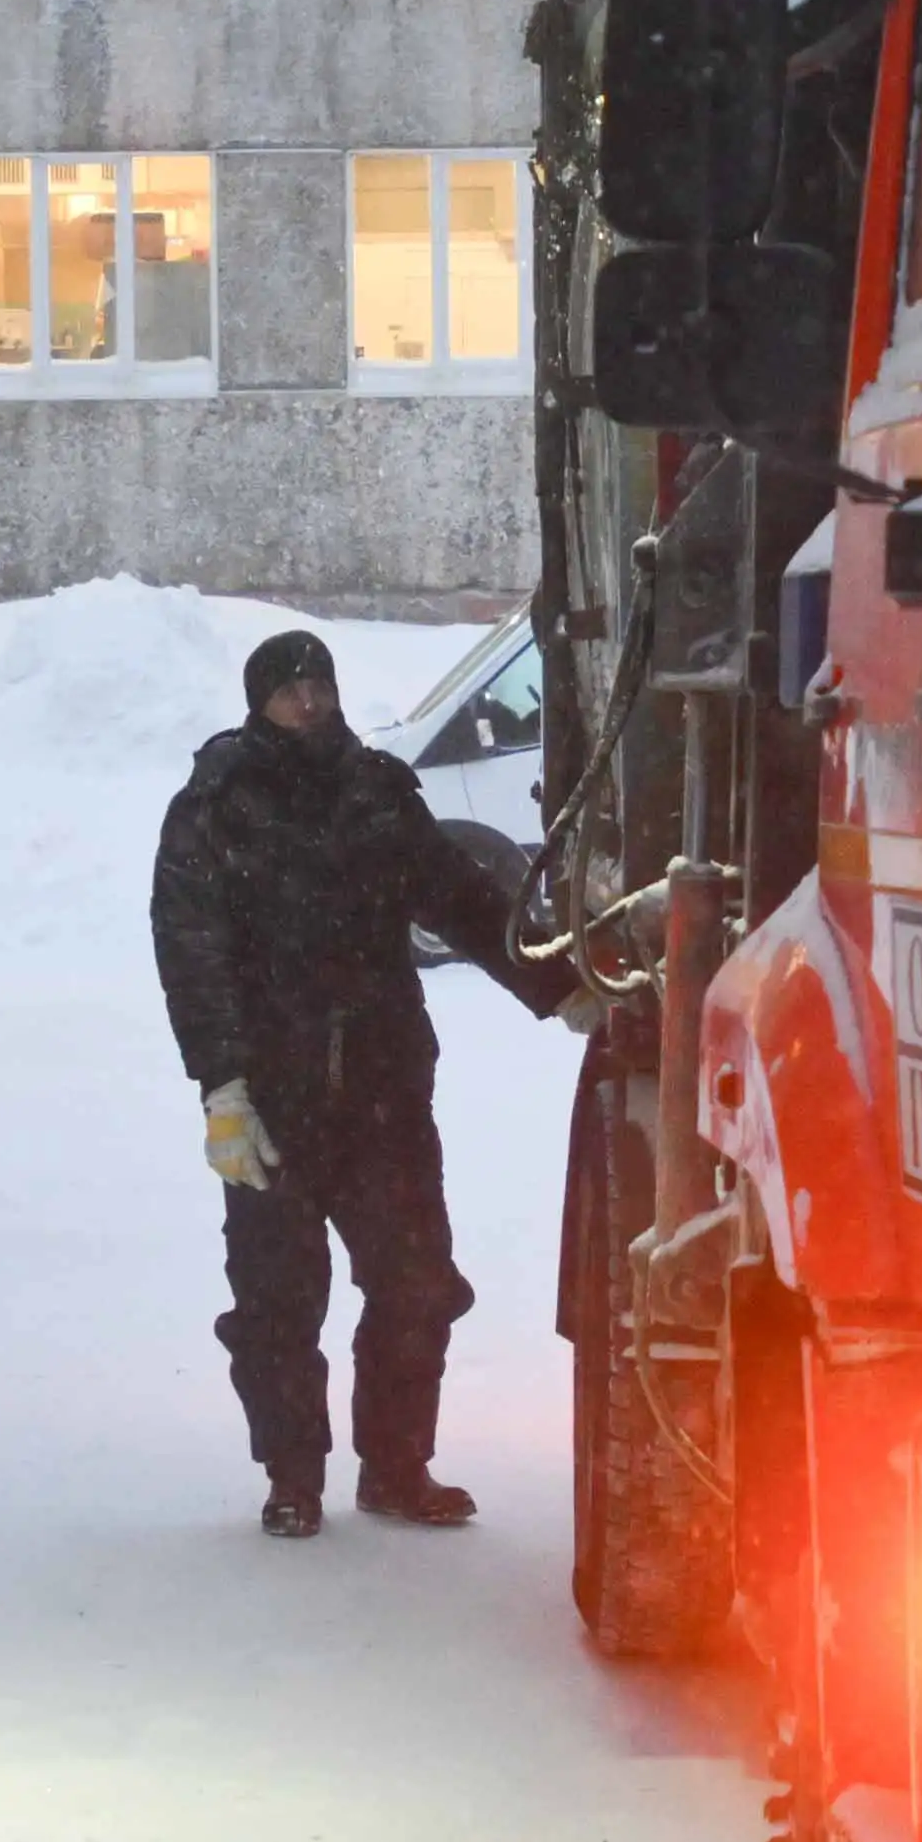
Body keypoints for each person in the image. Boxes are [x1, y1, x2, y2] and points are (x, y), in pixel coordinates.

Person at [150, 628, 551, 1537]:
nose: (307, 701)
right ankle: (293, 1476)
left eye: (318, 684)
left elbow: (461, 899)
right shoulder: (216, 805)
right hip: (272, 1096)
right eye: (288, 688)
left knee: (417, 1285)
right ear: (257, 701)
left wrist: (556, 983)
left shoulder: (376, 792)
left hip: (383, 1087)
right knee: (277, 1303)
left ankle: (397, 1468)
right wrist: (222, 1086)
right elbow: (190, 950)